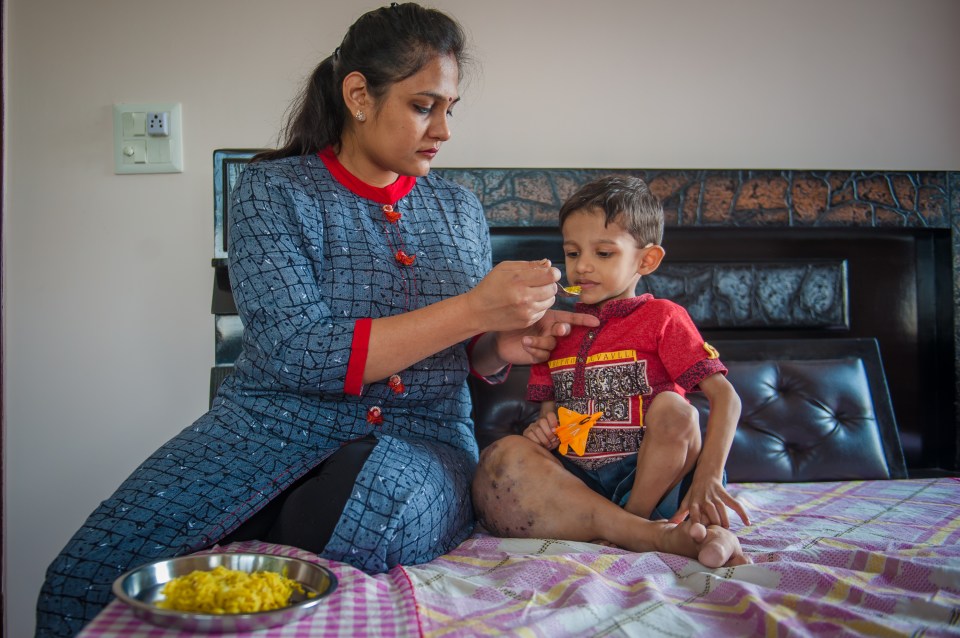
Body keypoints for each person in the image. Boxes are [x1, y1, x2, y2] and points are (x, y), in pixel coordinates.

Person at [35, 4, 599, 636]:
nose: (443, 129)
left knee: (363, 522)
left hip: (424, 439)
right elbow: (299, 351)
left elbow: (464, 357)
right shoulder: (271, 191)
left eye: (451, 108)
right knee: (83, 581)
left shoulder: (459, 210)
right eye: (423, 105)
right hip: (264, 427)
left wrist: (501, 344)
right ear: (358, 94)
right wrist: (473, 309)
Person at [472, 176, 751, 568]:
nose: (582, 266)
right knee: (503, 454)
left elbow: (727, 397)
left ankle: (638, 525)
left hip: (654, 482)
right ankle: (662, 536)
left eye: (603, 253)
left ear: (646, 260)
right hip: (580, 484)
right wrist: (543, 428)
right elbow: (550, 416)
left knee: (676, 409)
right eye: (572, 253)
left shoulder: (663, 318)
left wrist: (710, 476)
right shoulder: (557, 326)